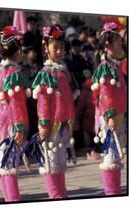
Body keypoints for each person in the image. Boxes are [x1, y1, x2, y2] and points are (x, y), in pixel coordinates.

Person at [0, 26, 31, 202]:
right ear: (17, 51)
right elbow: (17, 103)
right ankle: (13, 199)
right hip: (12, 122)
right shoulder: (14, 73)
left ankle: (8, 198)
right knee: (10, 162)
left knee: (3, 161)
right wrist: (20, 127)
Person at [31, 25, 75, 199]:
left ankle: (61, 195)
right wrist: (43, 123)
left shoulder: (63, 71)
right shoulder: (45, 73)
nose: (59, 51)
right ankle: (55, 196)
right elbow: (43, 101)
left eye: (61, 47)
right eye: (55, 47)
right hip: (51, 125)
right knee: (51, 161)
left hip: (64, 123)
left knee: (61, 161)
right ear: (46, 49)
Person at [91, 22, 127, 195]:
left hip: (118, 116)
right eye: (119, 41)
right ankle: (112, 194)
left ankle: (116, 192)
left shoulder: (115, 65)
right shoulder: (105, 67)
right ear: (108, 45)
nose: (122, 44)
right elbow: (105, 94)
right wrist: (111, 115)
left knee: (116, 159)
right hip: (110, 117)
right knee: (111, 157)